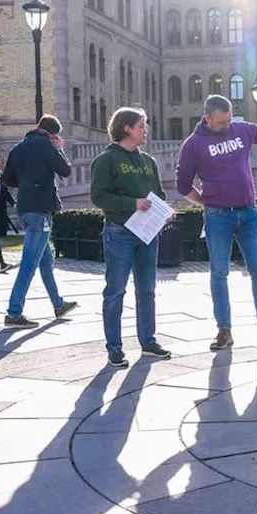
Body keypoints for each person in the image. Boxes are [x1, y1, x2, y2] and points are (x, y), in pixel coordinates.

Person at [175, 91, 257, 351]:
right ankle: (224, 331)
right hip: (217, 217)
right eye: (221, 122)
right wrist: (205, 202)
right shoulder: (193, 145)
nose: (227, 126)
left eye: (228, 121)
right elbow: (182, 184)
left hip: (249, 214)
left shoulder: (242, 130)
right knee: (219, 272)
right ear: (207, 118)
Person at [90, 107, 173, 367]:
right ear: (126, 128)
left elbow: (159, 194)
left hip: (148, 233)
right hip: (119, 233)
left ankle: (148, 342)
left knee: (147, 290)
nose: (145, 130)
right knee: (115, 291)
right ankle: (114, 347)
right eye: (141, 125)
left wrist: (164, 212)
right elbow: (99, 197)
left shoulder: (149, 161)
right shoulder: (106, 160)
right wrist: (132, 203)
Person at [2, 115, 77, 327]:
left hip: (25, 206)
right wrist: (59, 148)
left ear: (37, 127)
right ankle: (14, 312)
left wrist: (27, 182)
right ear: (53, 135)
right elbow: (65, 170)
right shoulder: (46, 145)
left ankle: (58, 304)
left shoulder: (18, 147)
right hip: (40, 209)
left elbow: (7, 179)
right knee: (29, 262)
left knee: (46, 261)